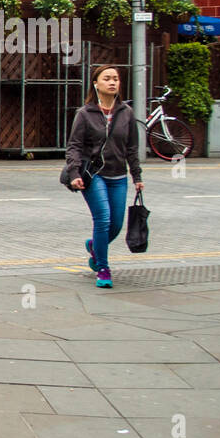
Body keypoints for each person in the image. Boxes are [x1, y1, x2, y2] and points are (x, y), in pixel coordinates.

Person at [66, 64, 143, 288]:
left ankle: (94, 247)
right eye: (107, 78)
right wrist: (73, 173)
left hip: (118, 175)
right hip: (94, 175)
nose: (112, 82)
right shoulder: (85, 114)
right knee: (103, 218)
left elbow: (131, 148)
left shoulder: (126, 113)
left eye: (116, 79)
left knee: (117, 225)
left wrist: (137, 176)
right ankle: (103, 267)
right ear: (96, 83)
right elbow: (74, 147)